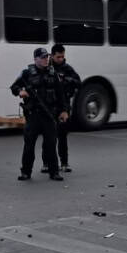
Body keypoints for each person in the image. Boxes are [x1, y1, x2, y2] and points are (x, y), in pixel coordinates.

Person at [10, 47, 68, 181]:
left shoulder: (53, 73)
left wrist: (64, 110)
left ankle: (54, 172)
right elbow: (14, 87)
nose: (45, 59)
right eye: (42, 57)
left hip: (49, 115)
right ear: (35, 59)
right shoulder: (27, 73)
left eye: (46, 57)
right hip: (33, 115)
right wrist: (20, 92)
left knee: (51, 144)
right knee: (29, 145)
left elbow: (60, 94)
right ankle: (26, 172)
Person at [45, 44, 81, 173]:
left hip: (63, 106)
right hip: (49, 107)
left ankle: (64, 163)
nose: (61, 59)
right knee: (48, 136)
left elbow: (78, 82)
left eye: (62, 57)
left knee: (62, 135)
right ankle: (47, 163)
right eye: (58, 57)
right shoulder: (47, 67)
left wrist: (65, 78)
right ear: (52, 55)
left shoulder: (67, 68)